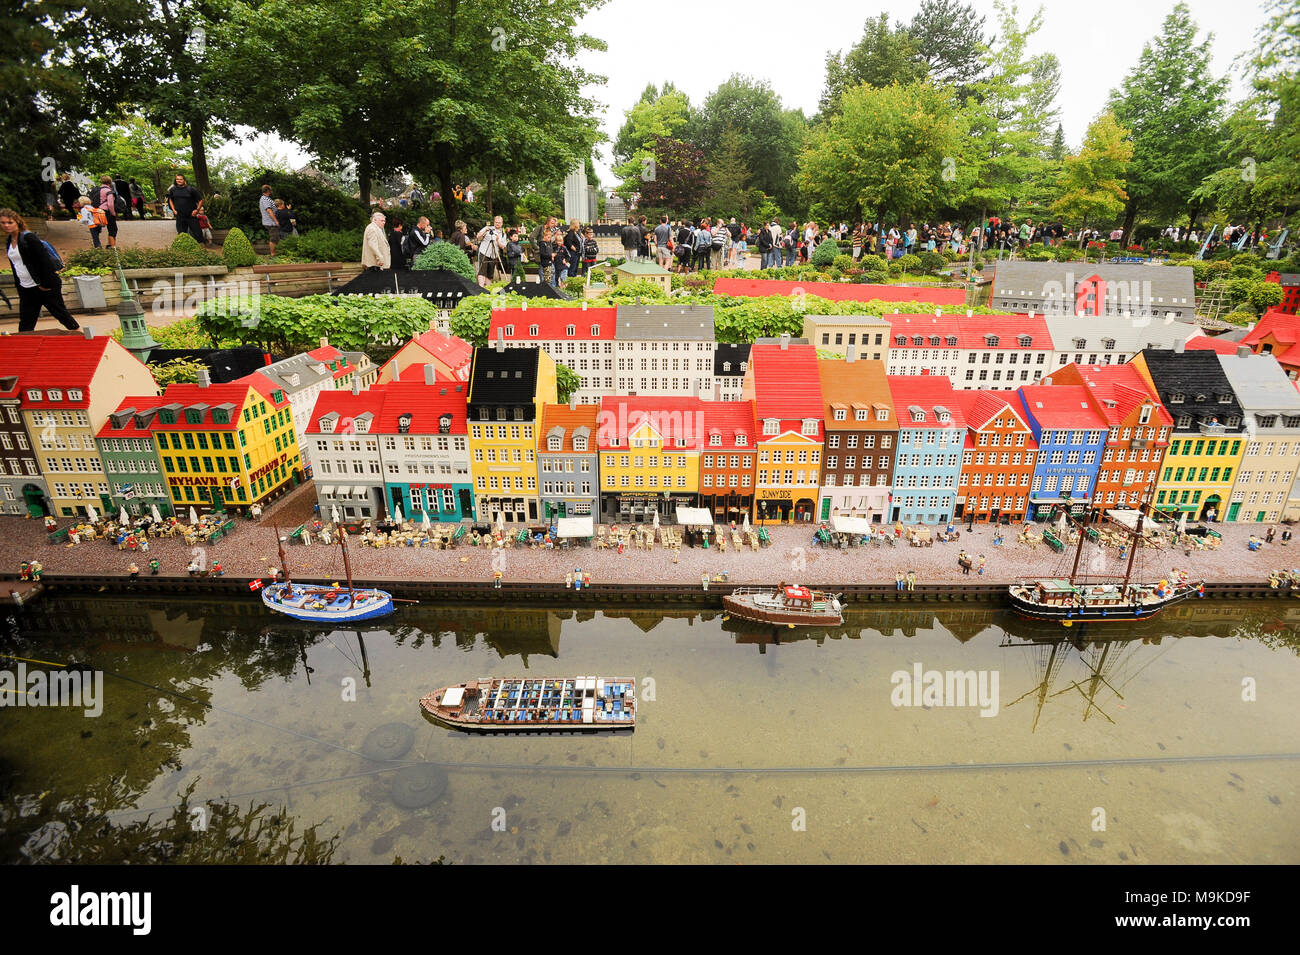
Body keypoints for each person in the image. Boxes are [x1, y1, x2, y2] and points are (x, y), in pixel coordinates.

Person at [2, 209, 80, 332]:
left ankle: (83, 339)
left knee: (61, 314)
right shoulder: (9, 241)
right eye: (3, 223)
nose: (6, 225)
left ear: (17, 222)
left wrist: (44, 285)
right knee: (26, 323)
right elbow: (15, 265)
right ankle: (27, 348)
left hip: (43, 286)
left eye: (10, 222)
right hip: (26, 287)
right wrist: (19, 286)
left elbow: (45, 262)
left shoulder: (29, 238)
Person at [166, 174, 203, 242]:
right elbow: (170, 200)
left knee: (197, 233)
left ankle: (201, 247)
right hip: (180, 215)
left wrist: (197, 210)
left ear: (184, 180)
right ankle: (184, 248)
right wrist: (174, 210)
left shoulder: (191, 189)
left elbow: (201, 200)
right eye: (177, 179)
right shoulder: (173, 189)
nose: (179, 181)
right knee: (181, 233)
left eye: (180, 179)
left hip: (191, 214)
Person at [475, 215, 506, 286]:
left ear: (502, 223)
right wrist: (485, 231)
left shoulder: (503, 234)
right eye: (496, 222)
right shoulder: (488, 228)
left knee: (490, 273)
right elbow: (478, 237)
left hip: (494, 254)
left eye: (499, 222)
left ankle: (488, 289)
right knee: (482, 271)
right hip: (484, 252)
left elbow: (503, 247)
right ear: (494, 222)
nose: (497, 224)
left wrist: (498, 240)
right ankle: (481, 287)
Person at [258, 184, 279, 255]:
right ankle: (272, 254)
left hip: (271, 221)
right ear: (267, 190)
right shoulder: (264, 199)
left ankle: (274, 253)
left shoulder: (267, 198)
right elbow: (269, 211)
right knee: (274, 238)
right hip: (271, 222)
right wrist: (276, 221)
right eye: (270, 190)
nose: (271, 191)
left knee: (275, 237)